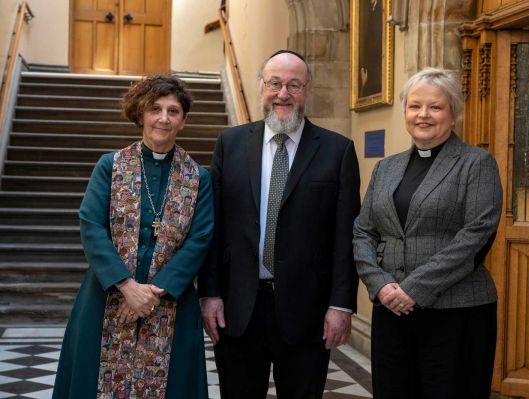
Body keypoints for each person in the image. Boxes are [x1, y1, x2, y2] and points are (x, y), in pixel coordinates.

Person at [199, 50, 361, 398]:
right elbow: (215, 227)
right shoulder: (230, 143)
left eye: (294, 85)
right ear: (262, 87)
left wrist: (341, 304)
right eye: (275, 83)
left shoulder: (338, 151)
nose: (283, 94)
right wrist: (209, 292)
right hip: (238, 308)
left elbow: (345, 237)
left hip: (307, 313)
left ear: (308, 90)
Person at [53, 74, 214, 399]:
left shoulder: (198, 177)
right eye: (156, 109)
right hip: (105, 296)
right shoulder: (110, 166)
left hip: (171, 301)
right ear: (140, 113)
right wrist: (126, 286)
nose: (164, 118)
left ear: (183, 121)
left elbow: (200, 239)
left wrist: (152, 294)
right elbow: (91, 225)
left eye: (173, 111)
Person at [353, 68, 502, 398]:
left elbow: (476, 235)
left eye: (435, 107)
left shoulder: (477, 163)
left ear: (453, 113)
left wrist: (414, 289)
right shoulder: (386, 167)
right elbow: (363, 231)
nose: (423, 115)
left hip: (456, 313)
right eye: (414, 106)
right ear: (405, 111)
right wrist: (380, 285)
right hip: (391, 311)